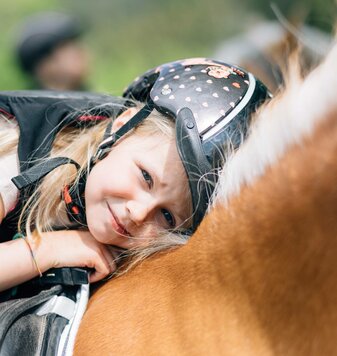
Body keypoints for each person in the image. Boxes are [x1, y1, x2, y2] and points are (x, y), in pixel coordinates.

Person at [0, 58, 270, 299]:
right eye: (146, 177)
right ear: (122, 128)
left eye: (167, 217)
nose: (138, 214)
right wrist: (46, 251)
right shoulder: (11, 153)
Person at [14, 11, 90, 91]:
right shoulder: (24, 102)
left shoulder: (96, 100)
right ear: (43, 63)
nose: (80, 52)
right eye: (65, 46)